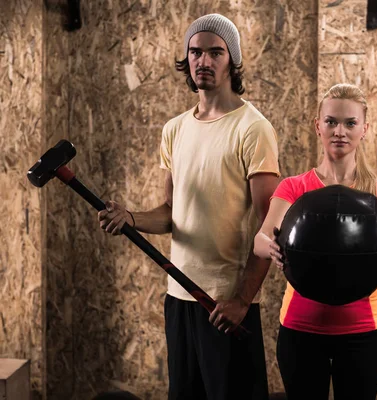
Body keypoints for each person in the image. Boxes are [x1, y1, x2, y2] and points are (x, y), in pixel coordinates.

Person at [98, 14, 280, 400]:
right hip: (179, 297)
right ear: (186, 58)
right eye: (196, 51)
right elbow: (170, 212)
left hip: (224, 304)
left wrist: (242, 300)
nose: (204, 60)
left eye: (216, 52)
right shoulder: (175, 129)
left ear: (232, 60)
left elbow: (271, 226)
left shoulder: (252, 128)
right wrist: (131, 218)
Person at [254, 83, 377, 400]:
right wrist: (271, 247)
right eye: (331, 121)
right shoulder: (294, 187)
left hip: (362, 331)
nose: (339, 131)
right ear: (318, 126)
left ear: (364, 129)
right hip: (300, 328)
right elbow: (261, 239)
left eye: (350, 123)